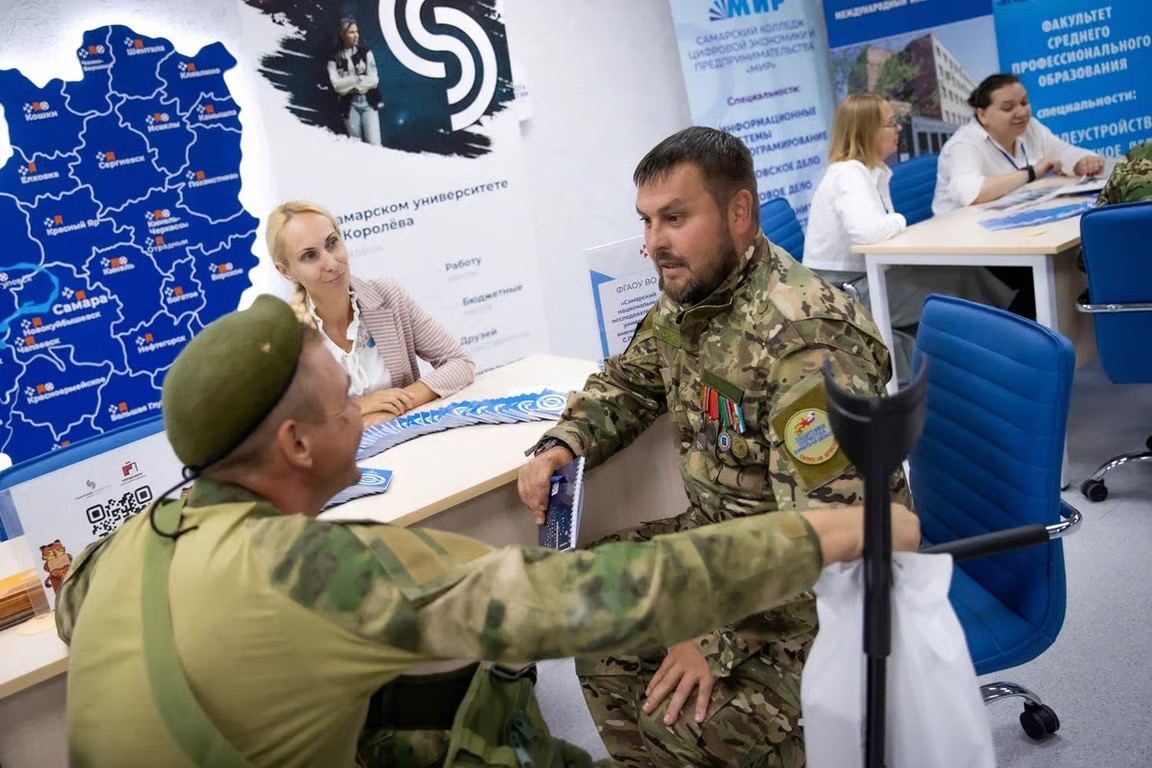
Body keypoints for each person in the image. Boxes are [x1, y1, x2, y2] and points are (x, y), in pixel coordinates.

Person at [55, 295, 919, 767]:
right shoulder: (314, 573)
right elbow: (585, 601)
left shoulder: (113, 557)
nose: (365, 412)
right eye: (345, 403)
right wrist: (827, 534)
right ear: (295, 444)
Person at [518, 126, 910, 767]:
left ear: (738, 212)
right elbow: (631, 378)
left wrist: (715, 635)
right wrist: (565, 442)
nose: (653, 245)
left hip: (827, 597)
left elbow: (830, 536)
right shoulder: (693, 293)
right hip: (724, 544)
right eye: (646, 222)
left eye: (674, 218)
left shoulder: (808, 342)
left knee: (687, 725)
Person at [806, 93, 1014, 379]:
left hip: (865, 278)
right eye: (891, 123)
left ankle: (1000, 347)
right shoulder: (848, 174)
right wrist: (900, 219)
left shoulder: (870, 171)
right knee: (958, 281)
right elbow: (869, 232)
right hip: (848, 293)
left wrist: (891, 223)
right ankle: (1008, 348)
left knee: (961, 275)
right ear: (868, 132)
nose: (898, 129)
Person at [268, 200, 474, 425]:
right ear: (286, 271)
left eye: (332, 243)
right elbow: (281, 425)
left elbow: (460, 363)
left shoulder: (388, 296)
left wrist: (395, 406)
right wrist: (359, 407)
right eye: (309, 256)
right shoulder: (283, 336)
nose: (331, 263)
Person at [932, 73, 1105, 215]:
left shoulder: (1031, 127)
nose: (1021, 113)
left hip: (1010, 218)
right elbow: (972, 193)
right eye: (1008, 108)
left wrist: (1082, 162)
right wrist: (1033, 172)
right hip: (961, 237)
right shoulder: (964, 144)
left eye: (1024, 102)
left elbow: (1062, 151)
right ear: (982, 115)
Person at [327, 17, 382, 146]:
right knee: (356, 145)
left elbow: (374, 80)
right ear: (342, 34)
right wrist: (357, 79)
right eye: (351, 32)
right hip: (349, 105)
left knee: (375, 144)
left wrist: (351, 85)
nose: (355, 35)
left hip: (368, 103)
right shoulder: (334, 57)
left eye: (356, 31)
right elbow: (336, 85)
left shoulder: (365, 52)